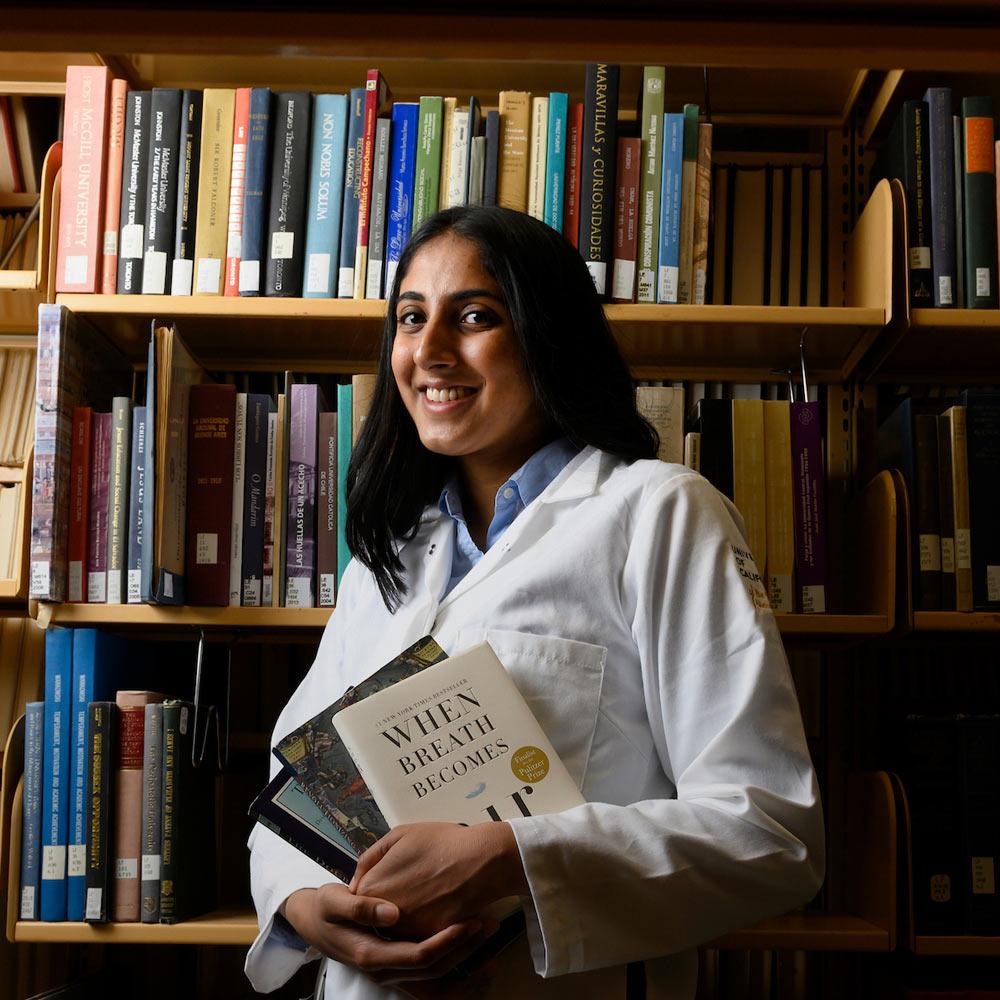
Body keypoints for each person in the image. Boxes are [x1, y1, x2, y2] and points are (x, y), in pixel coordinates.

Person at [245, 206, 824, 1000]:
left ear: (551, 335)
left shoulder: (658, 513)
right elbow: (297, 796)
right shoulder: (386, 558)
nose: (430, 352)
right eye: (411, 318)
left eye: (476, 316)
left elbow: (771, 833)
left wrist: (509, 857)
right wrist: (302, 903)